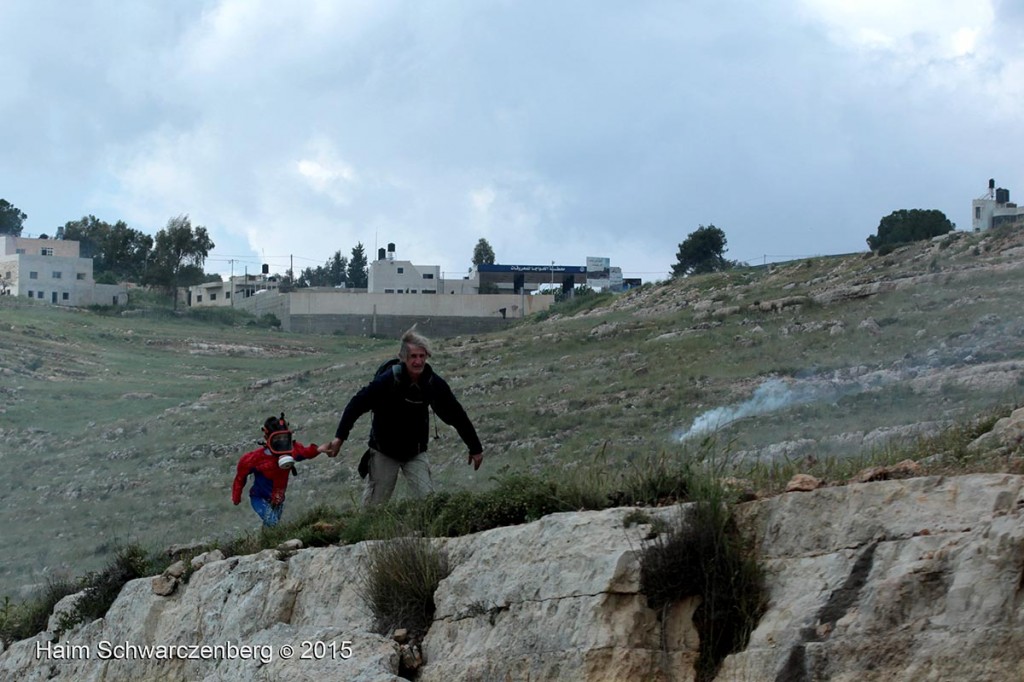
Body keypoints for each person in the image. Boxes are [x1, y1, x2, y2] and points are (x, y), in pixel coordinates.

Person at [327, 327, 483, 506]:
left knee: (428, 503)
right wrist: (340, 438)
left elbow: (456, 414)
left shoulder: (433, 383)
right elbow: (356, 405)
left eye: (422, 356)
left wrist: (475, 447)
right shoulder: (387, 381)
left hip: (415, 453)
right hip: (384, 451)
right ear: (403, 358)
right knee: (374, 508)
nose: (418, 362)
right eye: (413, 357)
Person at [232, 414, 330, 527]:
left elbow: (305, 452)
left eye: (284, 438)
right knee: (273, 523)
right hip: (259, 498)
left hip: (278, 500)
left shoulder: (293, 451)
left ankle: (265, 542)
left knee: (271, 526)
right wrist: (236, 497)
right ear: (267, 438)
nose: (281, 442)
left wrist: (318, 449)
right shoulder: (255, 459)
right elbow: (240, 478)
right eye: (277, 438)